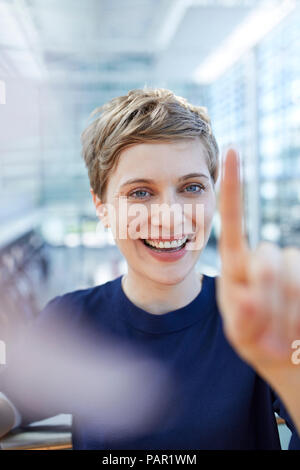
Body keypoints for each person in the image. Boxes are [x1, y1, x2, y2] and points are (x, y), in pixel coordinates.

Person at [1, 87, 300, 449]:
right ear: (102, 207)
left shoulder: (258, 316)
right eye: (140, 193)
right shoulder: (72, 319)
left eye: (191, 187)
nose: (170, 217)